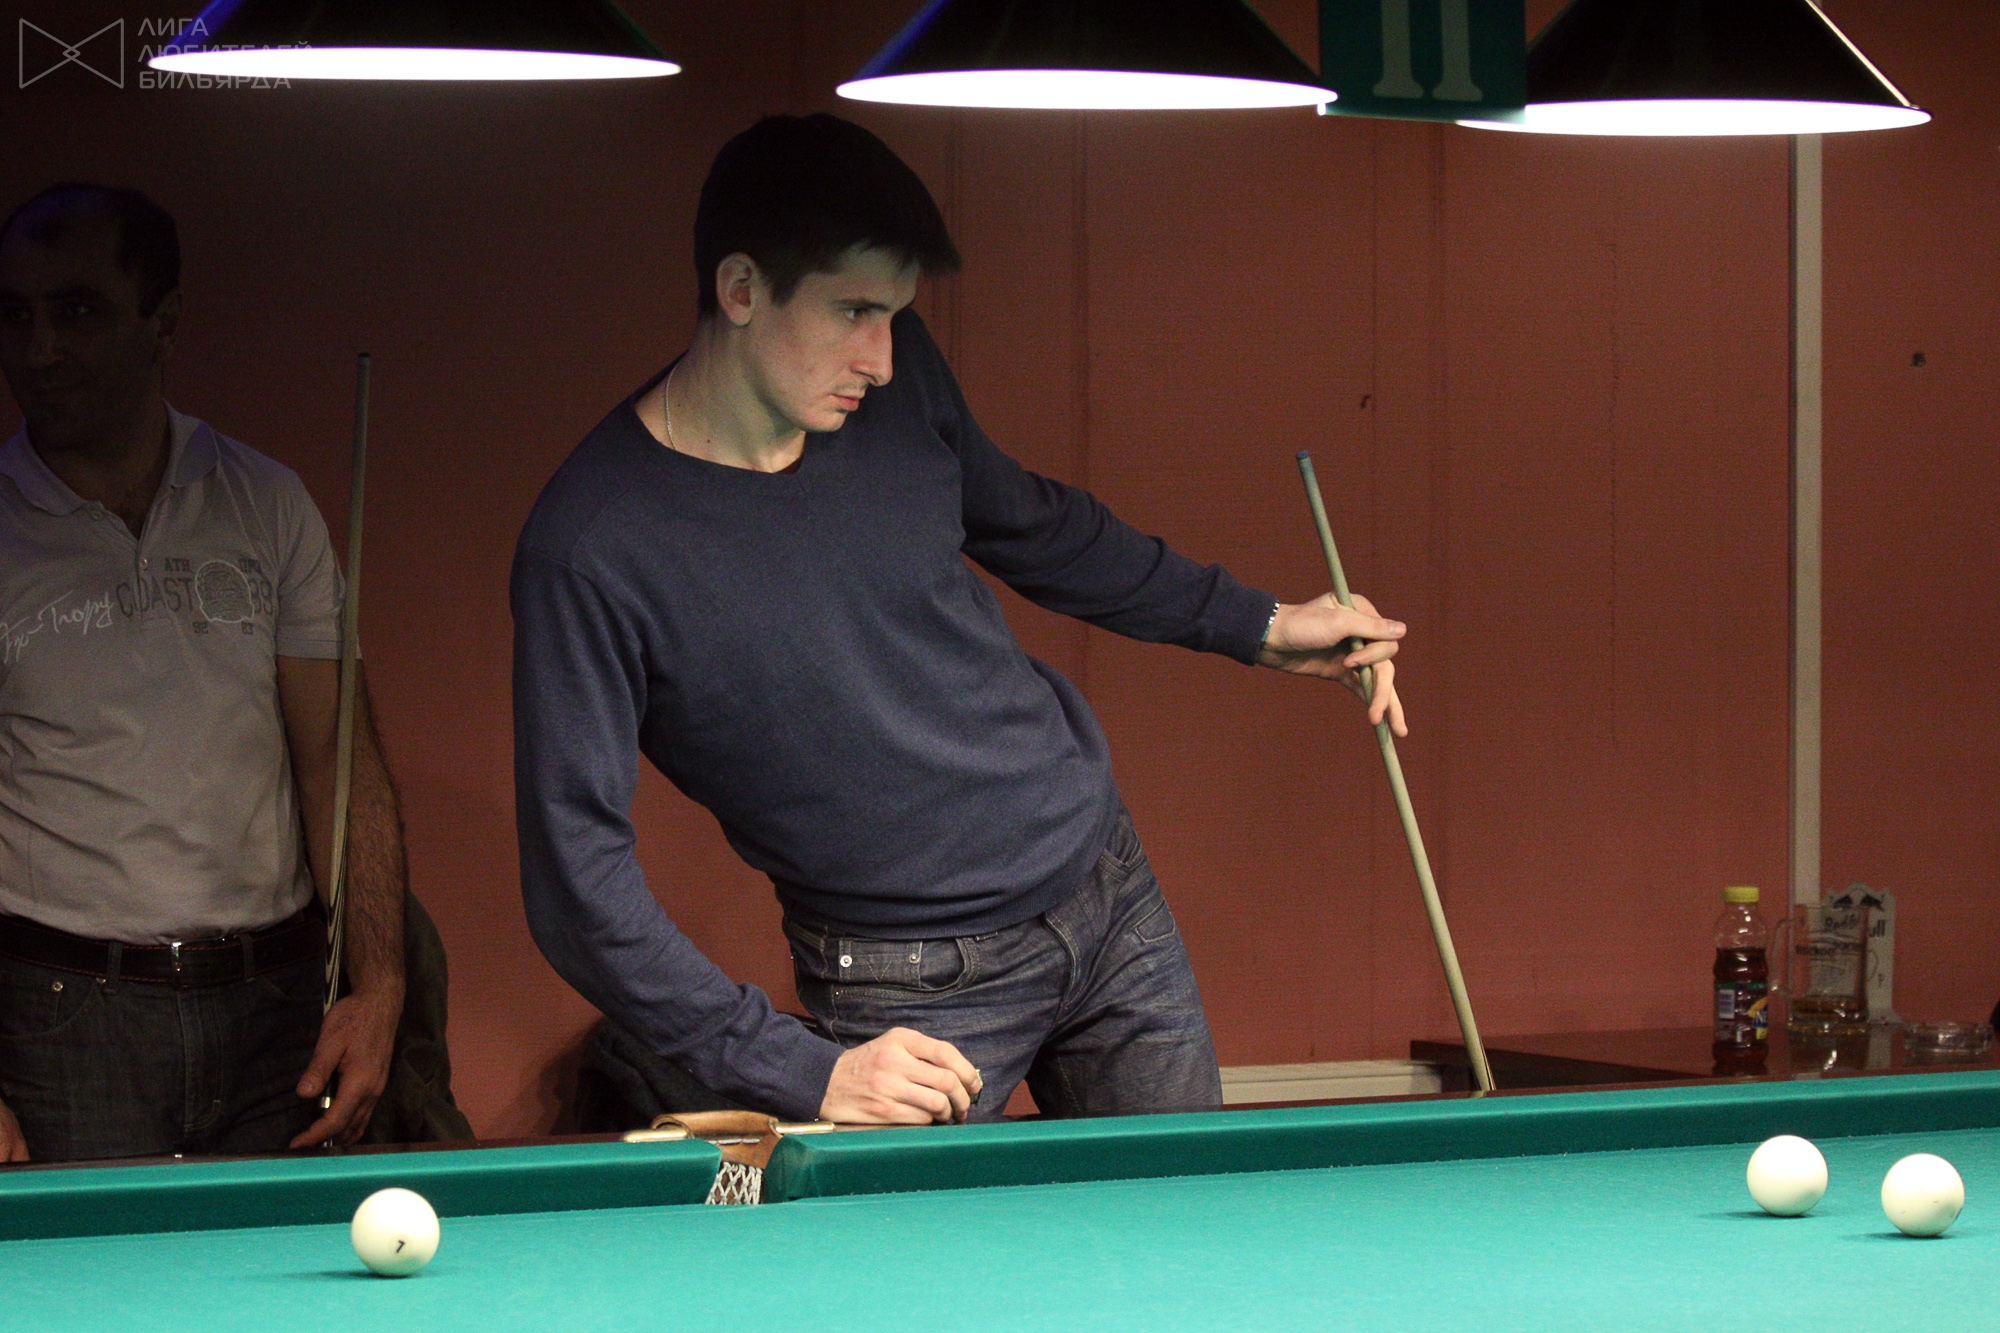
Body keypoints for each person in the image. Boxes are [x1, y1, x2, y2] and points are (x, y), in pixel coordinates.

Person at [512, 116, 1408, 1127]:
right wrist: (801, 1070)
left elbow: (1034, 525)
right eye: (855, 310)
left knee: (1190, 1217)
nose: (884, 359)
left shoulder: (887, 396)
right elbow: (576, 883)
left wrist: (1257, 623)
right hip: (913, 988)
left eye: (896, 314)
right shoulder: (592, 547)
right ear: (742, 288)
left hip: (1105, 884)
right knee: (914, 1242)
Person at [0, 185, 407, 1161]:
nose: (38, 349)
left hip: (273, 1007)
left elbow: (338, 763)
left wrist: (381, 983)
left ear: (164, 321)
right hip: (62, 1015)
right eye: (14, 314)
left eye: (77, 310)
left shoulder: (265, 504)